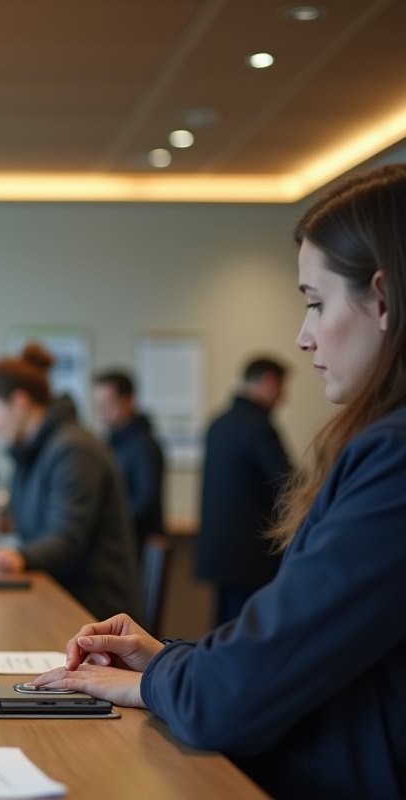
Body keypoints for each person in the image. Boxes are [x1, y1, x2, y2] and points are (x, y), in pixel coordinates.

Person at [29, 163, 406, 800]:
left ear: (382, 299)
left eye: (315, 303)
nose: (303, 336)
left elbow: (231, 699)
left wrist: (159, 678)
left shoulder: (393, 458)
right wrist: (167, 659)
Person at [0, 344, 141, 621]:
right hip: (59, 595)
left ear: (19, 403)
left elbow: (67, 536)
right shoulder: (34, 452)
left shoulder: (73, 450)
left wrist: (23, 556)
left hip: (93, 610)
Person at [196, 357, 291, 625]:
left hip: (221, 554)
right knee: (249, 633)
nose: (284, 397)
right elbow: (286, 485)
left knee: (222, 631)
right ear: (269, 382)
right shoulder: (259, 427)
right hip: (253, 558)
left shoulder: (218, 423)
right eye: (283, 388)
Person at [92, 370, 165, 551]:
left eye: (107, 403)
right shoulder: (110, 443)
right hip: (119, 542)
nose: (102, 411)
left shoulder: (144, 445)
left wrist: (107, 521)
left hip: (138, 545)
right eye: (98, 404)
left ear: (128, 401)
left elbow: (145, 502)